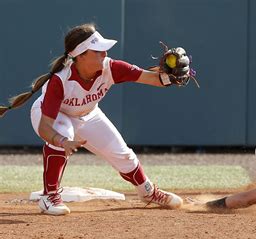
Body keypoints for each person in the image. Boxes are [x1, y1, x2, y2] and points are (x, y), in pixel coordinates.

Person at [0, 23, 183, 215]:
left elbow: (153, 78)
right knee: (63, 132)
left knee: (125, 156)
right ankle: (49, 196)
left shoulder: (111, 68)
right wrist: (62, 141)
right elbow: (45, 127)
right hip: (53, 116)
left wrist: (172, 77)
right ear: (80, 56)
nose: (104, 54)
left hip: (88, 114)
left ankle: (148, 192)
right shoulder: (60, 80)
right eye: (98, 51)